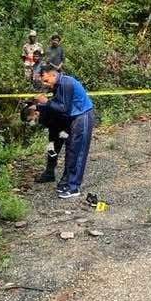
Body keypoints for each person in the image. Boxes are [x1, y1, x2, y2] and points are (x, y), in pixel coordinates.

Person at [35, 63, 95, 199]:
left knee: (78, 153)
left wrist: (46, 102)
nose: (45, 84)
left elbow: (63, 108)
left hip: (82, 117)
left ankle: (74, 187)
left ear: (53, 74)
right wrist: (39, 106)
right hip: (73, 119)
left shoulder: (65, 84)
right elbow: (57, 106)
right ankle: (66, 182)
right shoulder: (58, 85)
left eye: (46, 80)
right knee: (71, 151)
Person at [21, 103, 72, 184]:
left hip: (68, 126)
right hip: (57, 129)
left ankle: (69, 177)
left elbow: (62, 117)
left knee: (70, 152)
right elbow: (52, 127)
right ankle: (49, 174)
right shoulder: (41, 117)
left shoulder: (48, 109)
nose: (31, 123)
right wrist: (51, 141)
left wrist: (66, 133)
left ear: (36, 113)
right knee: (51, 151)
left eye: (30, 120)